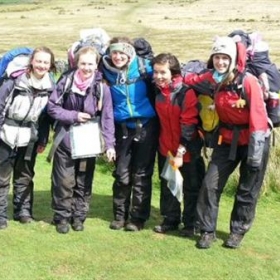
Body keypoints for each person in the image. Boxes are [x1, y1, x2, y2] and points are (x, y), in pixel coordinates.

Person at [184, 36, 271, 249]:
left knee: (247, 189)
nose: (220, 62)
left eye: (225, 58)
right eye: (217, 57)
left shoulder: (248, 81)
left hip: (254, 140)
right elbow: (190, 80)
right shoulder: (214, 79)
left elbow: (258, 118)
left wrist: (255, 154)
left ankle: (237, 231)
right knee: (210, 184)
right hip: (226, 139)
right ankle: (207, 231)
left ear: (232, 59)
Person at [47, 46, 115, 234]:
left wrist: (109, 144)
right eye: (83, 63)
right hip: (66, 138)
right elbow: (52, 107)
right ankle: (61, 217)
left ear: (96, 65)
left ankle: (78, 217)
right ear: (77, 63)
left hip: (89, 139)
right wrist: (74, 115)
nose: (86, 67)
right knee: (63, 180)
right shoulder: (66, 81)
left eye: (90, 64)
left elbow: (107, 117)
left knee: (84, 179)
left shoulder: (102, 87)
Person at [100, 36, 159, 231]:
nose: (117, 57)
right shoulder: (105, 71)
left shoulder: (145, 68)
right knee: (121, 174)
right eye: (114, 52)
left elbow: (166, 79)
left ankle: (137, 219)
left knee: (142, 174)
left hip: (147, 126)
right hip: (122, 128)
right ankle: (119, 216)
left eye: (121, 52)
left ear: (129, 52)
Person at [0, 46, 56, 229]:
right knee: (2, 176)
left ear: (51, 65)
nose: (41, 65)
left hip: (30, 135)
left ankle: (23, 212)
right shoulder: (14, 82)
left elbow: (46, 117)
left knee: (25, 175)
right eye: (38, 61)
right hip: (6, 132)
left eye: (45, 62)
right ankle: (1, 214)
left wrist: (42, 140)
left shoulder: (50, 86)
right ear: (32, 61)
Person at [152, 53, 205, 237]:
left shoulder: (186, 93)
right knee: (168, 184)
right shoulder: (157, 91)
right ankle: (170, 220)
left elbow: (189, 125)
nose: (159, 76)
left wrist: (181, 153)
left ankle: (191, 223)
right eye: (156, 72)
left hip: (187, 149)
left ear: (173, 73)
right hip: (165, 147)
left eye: (163, 72)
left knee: (191, 187)